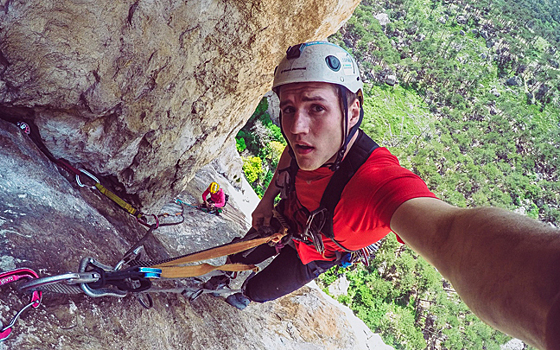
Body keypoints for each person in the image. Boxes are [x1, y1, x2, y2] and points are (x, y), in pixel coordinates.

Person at [221, 41, 559, 350]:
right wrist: (265, 204)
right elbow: (289, 160)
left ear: (352, 111)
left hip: (315, 253)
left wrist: (550, 296)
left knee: (263, 289)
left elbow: (449, 234)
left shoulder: (376, 182)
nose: (296, 128)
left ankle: (247, 293)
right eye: (289, 109)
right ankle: (229, 272)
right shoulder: (309, 144)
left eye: (316, 108)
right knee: (240, 251)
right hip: (282, 220)